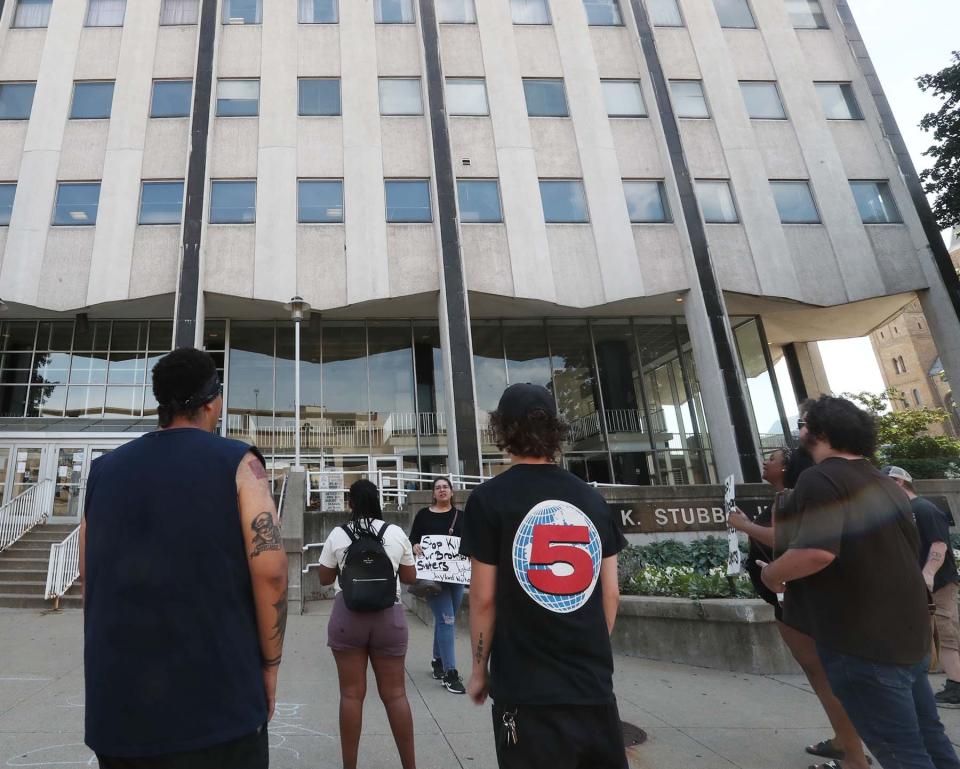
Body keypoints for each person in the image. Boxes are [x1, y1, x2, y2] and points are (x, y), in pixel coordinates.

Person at [80, 348, 288, 768]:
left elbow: (88, 573)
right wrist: (269, 665)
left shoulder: (104, 470)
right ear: (213, 401)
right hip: (217, 703)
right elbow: (271, 571)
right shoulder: (239, 463)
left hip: (119, 708)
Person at [760, 395, 960, 769]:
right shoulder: (882, 481)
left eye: (803, 425)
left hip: (863, 643)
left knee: (902, 753)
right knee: (931, 740)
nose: (799, 432)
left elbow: (816, 552)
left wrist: (771, 574)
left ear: (819, 432)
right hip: (908, 635)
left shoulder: (821, 479)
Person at [459, 383, 629, 769]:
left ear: (502, 430)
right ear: (555, 429)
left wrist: (478, 669)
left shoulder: (488, 499)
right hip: (593, 687)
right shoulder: (592, 499)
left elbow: (483, 597)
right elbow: (611, 594)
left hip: (526, 689)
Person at [731, 447, 870, 769]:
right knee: (823, 677)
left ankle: (853, 757)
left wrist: (743, 526)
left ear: (786, 468)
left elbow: (783, 538)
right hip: (792, 601)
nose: (765, 461)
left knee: (824, 678)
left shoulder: (791, 496)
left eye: (773, 458)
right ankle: (843, 742)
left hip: (797, 602)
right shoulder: (789, 496)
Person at [315, 479, 418, 769]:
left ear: (351, 503)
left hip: (348, 616)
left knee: (351, 694)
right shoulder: (395, 532)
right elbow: (409, 578)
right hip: (389, 618)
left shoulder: (338, 534)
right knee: (396, 694)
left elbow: (324, 578)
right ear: (378, 501)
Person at [885, 465, 960, 708]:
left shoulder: (924, 509)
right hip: (919, 587)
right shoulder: (903, 513)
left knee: (946, 634)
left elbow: (939, 545)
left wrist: (927, 575)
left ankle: (956, 687)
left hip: (938, 585)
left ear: (898, 482)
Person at [409, 477, 466, 694]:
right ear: (433, 493)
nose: (442, 490)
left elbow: (470, 541)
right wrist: (414, 545)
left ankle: (437, 661)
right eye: (438, 488)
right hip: (432, 579)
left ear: (452, 492)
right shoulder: (424, 515)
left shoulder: (461, 516)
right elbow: (413, 538)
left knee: (445, 619)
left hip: (456, 578)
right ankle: (450, 674)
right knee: (448, 620)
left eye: (445, 487)